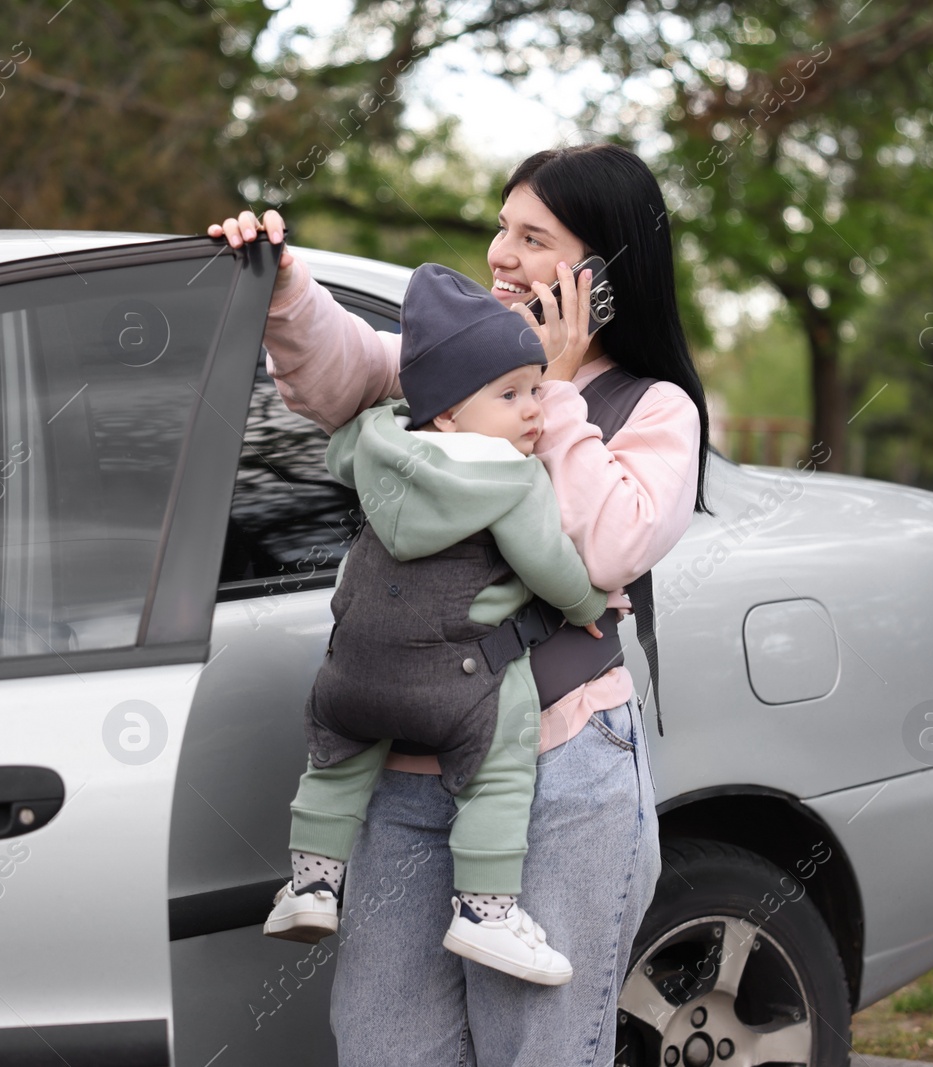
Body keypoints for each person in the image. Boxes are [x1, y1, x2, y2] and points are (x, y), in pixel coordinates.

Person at [211, 141, 711, 1066]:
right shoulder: (459, 363)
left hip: (561, 774)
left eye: (532, 236)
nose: (500, 254)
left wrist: (553, 394)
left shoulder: (656, 409)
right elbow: (344, 371)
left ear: (600, 271)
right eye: (501, 228)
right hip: (405, 770)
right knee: (385, 1041)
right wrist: (286, 288)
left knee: (540, 1047)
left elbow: (604, 549)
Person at [263, 263, 612, 987]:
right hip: (454, 683)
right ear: (451, 413)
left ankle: (312, 884)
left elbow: (337, 449)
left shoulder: (374, 439)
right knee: (503, 762)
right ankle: (486, 911)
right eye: (511, 394)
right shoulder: (513, 479)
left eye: (534, 390)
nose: (533, 412)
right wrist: (588, 607)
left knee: (333, 764)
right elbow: (548, 562)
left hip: (352, 672)